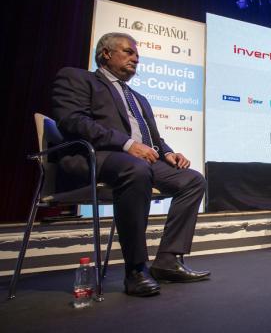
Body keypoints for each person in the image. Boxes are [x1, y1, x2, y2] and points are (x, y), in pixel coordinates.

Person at [51, 32, 209, 297]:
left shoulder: (138, 98)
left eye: (137, 55)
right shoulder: (78, 78)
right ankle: (135, 270)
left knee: (193, 180)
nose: (136, 58)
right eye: (128, 52)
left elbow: (153, 140)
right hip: (97, 157)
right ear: (106, 54)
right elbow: (72, 121)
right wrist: (126, 144)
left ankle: (168, 260)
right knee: (136, 169)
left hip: (140, 159)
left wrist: (167, 153)